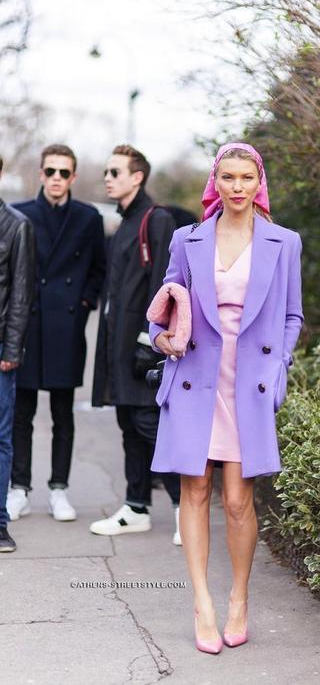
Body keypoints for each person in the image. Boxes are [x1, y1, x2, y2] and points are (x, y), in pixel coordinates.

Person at [150, 142, 304, 653]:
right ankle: (203, 604)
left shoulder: (284, 242)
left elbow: (291, 315)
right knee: (194, 491)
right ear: (216, 183)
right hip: (196, 375)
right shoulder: (186, 239)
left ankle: (238, 597)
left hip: (249, 382)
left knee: (239, 501)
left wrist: (278, 364)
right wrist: (161, 337)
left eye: (247, 178)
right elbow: (164, 305)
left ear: (259, 182)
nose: (238, 187)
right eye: (229, 178)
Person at [7, 144, 106, 523]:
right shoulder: (20, 214)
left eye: (64, 173)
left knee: (64, 413)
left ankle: (59, 489)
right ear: (41, 174)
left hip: (67, 326)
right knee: (22, 413)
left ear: (74, 177)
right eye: (51, 171)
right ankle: (19, 489)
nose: (57, 179)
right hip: (29, 326)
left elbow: (99, 269)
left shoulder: (88, 217)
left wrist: (83, 305)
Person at [90, 145, 182, 544]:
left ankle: (184, 511)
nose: (108, 178)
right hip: (116, 342)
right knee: (128, 421)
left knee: (150, 424)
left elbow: (166, 284)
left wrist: (150, 342)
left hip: (143, 346)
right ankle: (136, 507)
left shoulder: (156, 220)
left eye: (115, 171)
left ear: (137, 176)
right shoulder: (125, 221)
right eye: (107, 172)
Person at [0, 155, 36, 551]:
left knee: (0, 437)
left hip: (0, 350)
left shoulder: (16, 225)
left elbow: (21, 294)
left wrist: (11, 349)